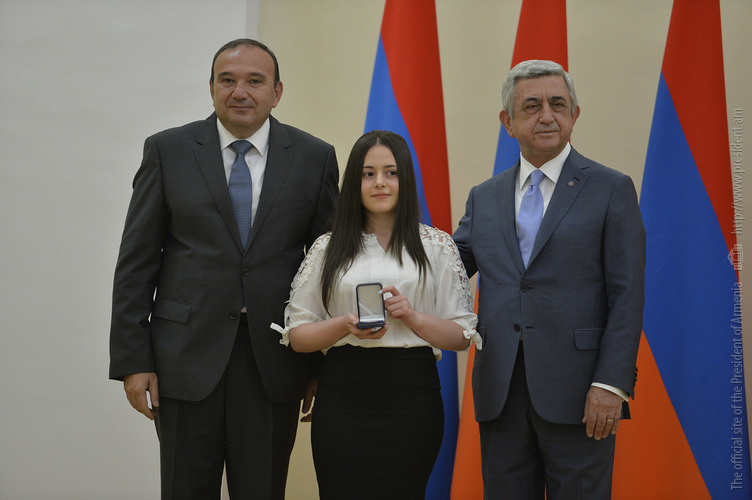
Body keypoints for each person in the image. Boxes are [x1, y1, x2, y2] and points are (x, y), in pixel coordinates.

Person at [109, 38, 339, 499]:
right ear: (211, 88)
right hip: (183, 361)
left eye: (255, 81)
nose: (240, 92)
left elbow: (325, 268)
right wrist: (134, 360)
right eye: (227, 80)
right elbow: (136, 262)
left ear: (276, 92)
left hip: (275, 362)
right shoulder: (167, 151)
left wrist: (320, 365)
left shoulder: (314, 158)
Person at [453, 60, 645, 499]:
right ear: (507, 122)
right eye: (532, 106)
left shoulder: (611, 189)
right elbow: (447, 269)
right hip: (501, 392)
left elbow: (627, 294)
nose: (547, 116)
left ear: (574, 115)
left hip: (582, 394)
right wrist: (374, 255)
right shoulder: (484, 197)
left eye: (558, 105)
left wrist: (611, 384)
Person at [271, 130, 479, 499]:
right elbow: (298, 337)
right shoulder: (326, 248)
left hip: (412, 395)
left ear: (405, 179)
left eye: (390, 172)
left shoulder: (437, 246)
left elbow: (461, 337)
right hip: (342, 394)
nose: (379, 182)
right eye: (368, 173)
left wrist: (413, 317)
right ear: (354, 182)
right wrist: (343, 324)